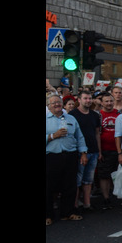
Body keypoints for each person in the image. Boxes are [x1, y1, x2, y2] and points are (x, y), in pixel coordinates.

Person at [46, 94, 88, 224]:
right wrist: (53, 136)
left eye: (58, 102)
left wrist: (83, 153)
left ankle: (67, 213)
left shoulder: (71, 118)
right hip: (51, 156)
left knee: (69, 185)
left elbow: (79, 137)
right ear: (48, 106)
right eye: (53, 103)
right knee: (48, 187)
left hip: (70, 155)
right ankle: (48, 215)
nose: (57, 105)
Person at [69, 89, 101, 212]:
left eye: (89, 98)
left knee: (88, 180)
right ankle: (75, 204)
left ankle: (87, 203)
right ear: (79, 100)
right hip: (79, 152)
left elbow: (97, 133)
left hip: (93, 151)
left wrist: (99, 151)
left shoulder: (94, 115)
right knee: (77, 180)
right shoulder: (72, 115)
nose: (88, 101)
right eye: (85, 98)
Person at [96, 92, 120, 209]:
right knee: (104, 175)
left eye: (111, 101)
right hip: (105, 150)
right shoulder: (98, 115)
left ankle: (120, 196)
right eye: (106, 101)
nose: (109, 103)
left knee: (119, 174)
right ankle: (106, 198)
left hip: (118, 150)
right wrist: (99, 152)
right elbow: (97, 134)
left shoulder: (120, 114)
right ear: (102, 103)